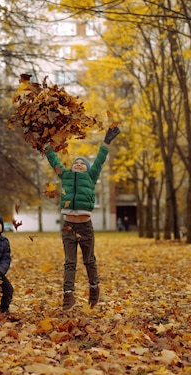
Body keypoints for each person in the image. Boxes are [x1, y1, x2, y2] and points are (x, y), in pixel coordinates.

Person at [45, 126, 120, 311]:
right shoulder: (66, 176)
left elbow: (101, 160)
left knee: (89, 261)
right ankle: (68, 295)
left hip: (85, 227)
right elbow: (53, 159)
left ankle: (94, 288)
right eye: (76, 163)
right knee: (70, 262)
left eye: (82, 163)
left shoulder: (91, 176)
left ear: (87, 168)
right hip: (68, 227)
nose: (78, 164)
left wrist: (106, 142)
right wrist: (46, 143)